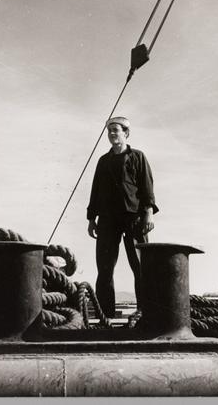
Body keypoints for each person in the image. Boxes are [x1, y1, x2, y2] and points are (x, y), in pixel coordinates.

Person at [87, 116, 159, 317]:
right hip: (107, 220)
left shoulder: (138, 157)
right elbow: (95, 191)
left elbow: (147, 186)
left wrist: (148, 213)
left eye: (116, 130)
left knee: (140, 266)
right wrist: (91, 219)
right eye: (109, 131)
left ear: (126, 133)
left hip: (134, 218)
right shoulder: (103, 161)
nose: (112, 134)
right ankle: (105, 315)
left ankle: (144, 313)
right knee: (105, 268)